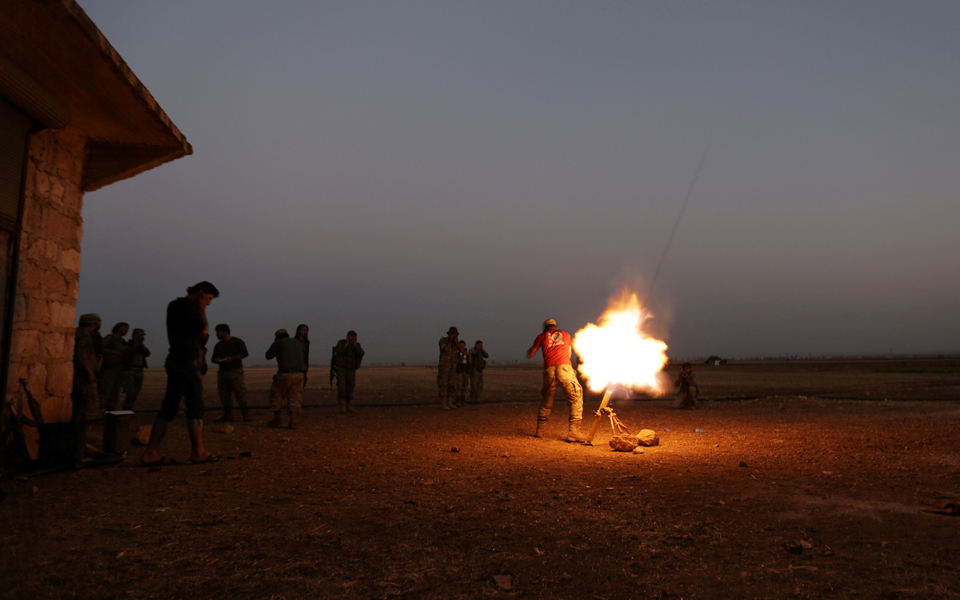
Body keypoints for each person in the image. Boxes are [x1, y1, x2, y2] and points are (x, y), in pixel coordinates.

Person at [140, 281, 221, 466]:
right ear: (201, 294)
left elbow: (201, 336)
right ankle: (198, 452)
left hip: (177, 360)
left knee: (169, 406)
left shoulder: (174, 305)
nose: (208, 303)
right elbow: (203, 329)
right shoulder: (187, 306)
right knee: (195, 406)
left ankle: (151, 452)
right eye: (208, 299)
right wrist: (202, 309)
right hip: (186, 361)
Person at [526, 318, 587, 442]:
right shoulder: (566, 335)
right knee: (576, 396)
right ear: (556, 327)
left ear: (545, 328)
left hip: (549, 370)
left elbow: (530, 354)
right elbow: (569, 354)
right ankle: (573, 432)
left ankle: (540, 431)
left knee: (547, 401)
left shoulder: (541, 337)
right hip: (564, 368)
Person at [265, 329, 306, 429]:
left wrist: (276, 344)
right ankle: (292, 422)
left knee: (277, 395)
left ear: (277, 337)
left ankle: (277, 418)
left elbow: (268, 356)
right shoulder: (297, 343)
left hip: (285, 374)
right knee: (295, 397)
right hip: (300, 374)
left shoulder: (278, 342)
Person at [210, 324, 251, 422]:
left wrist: (232, 359)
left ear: (225, 332)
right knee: (224, 395)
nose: (216, 335)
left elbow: (245, 353)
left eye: (218, 332)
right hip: (223, 372)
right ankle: (228, 415)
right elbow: (213, 358)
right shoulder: (218, 345)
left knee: (240, 393)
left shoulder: (237, 342)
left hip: (235, 371)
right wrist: (216, 360)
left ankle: (246, 416)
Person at [72, 313, 102, 423]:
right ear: (92, 324)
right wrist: (90, 373)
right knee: (91, 405)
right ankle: (85, 433)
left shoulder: (78, 333)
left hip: (80, 375)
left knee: (79, 405)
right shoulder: (84, 336)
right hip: (83, 376)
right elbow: (81, 355)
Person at [99, 322, 129, 411]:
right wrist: (113, 352)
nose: (126, 330)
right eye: (125, 327)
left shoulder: (123, 341)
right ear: (118, 328)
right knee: (104, 391)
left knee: (114, 393)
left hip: (118, 369)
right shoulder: (110, 338)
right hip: (108, 369)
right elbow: (100, 349)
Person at [333, 330, 365, 413]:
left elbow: (361, 353)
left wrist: (354, 345)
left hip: (352, 368)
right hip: (342, 368)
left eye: (354, 336)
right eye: (351, 336)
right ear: (347, 336)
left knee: (351, 386)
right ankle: (342, 404)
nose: (352, 338)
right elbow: (338, 350)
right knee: (342, 386)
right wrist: (346, 344)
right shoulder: (341, 343)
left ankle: (349, 404)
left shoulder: (357, 345)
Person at [121, 328, 151, 411]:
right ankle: (126, 408)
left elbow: (148, 354)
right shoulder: (129, 344)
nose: (141, 337)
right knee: (130, 391)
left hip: (139, 370)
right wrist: (136, 343)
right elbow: (129, 352)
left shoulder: (141, 346)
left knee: (136, 391)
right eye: (139, 335)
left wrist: (142, 345)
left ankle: (129, 408)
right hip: (130, 370)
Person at [437, 326, 460, 410]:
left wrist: (455, 342)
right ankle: (443, 403)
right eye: (453, 334)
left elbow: (461, 350)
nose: (454, 335)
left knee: (452, 384)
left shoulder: (456, 343)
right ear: (449, 334)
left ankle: (450, 402)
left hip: (452, 366)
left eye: (455, 334)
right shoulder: (443, 340)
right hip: (444, 366)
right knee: (443, 384)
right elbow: (445, 349)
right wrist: (450, 341)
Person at [469, 340, 488, 404]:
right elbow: (476, 353)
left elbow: (486, 355)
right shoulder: (473, 350)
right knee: (474, 386)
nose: (480, 346)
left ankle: (477, 399)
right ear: (475, 345)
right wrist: (478, 349)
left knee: (480, 386)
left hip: (480, 370)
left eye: (481, 345)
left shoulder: (480, 351)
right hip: (474, 370)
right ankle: (472, 399)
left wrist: (482, 349)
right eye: (479, 345)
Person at [454, 340, 471, 407]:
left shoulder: (466, 354)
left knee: (465, 386)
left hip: (465, 371)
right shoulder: (457, 354)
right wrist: (462, 355)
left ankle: (463, 400)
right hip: (459, 371)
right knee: (459, 386)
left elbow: (469, 362)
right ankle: (457, 400)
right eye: (461, 346)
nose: (462, 347)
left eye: (463, 346)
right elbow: (459, 362)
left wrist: (469, 354)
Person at [294, 324, 310, 389]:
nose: (305, 332)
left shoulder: (306, 342)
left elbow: (306, 354)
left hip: (304, 365)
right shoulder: (294, 341)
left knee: (303, 383)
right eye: (303, 330)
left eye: (306, 330)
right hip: (295, 366)